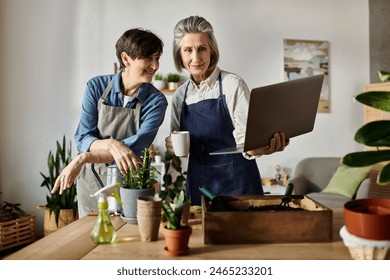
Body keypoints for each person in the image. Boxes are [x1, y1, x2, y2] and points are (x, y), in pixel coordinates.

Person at [165, 16, 289, 206]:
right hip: (200, 186)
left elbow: (246, 141)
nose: (196, 58)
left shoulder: (232, 85)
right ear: (179, 56)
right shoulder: (180, 96)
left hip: (240, 185)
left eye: (202, 49)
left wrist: (265, 147)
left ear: (212, 51)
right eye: (188, 50)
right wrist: (173, 146)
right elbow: (179, 147)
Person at [52, 28, 168, 217]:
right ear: (126, 59)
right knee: (89, 237)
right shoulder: (95, 87)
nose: (155, 66)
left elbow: (135, 148)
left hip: (130, 181)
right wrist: (112, 144)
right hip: (90, 179)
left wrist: (84, 157)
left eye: (157, 58)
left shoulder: (156, 101)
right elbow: (83, 138)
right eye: (149, 58)